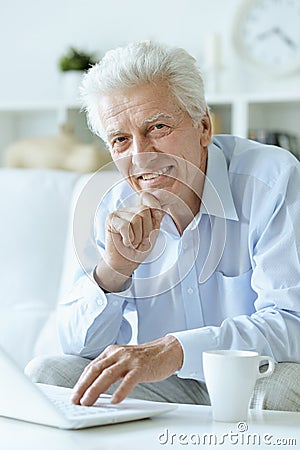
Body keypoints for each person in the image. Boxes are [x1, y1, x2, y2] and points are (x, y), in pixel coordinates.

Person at [26, 41, 300, 412]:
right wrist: (113, 272)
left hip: (255, 376)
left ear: (203, 127)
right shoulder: (109, 201)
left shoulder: (273, 179)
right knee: (48, 376)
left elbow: (292, 322)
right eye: (120, 140)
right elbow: (79, 347)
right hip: (166, 385)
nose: (140, 155)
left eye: (157, 127)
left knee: (285, 388)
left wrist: (174, 350)